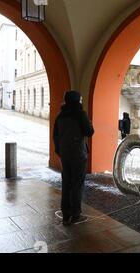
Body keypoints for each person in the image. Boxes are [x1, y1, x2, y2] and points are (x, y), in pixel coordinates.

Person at [53, 90, 95, 226]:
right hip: (78, 154)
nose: (82, 101)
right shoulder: (80, 114)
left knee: (66, 184)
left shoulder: (60, 116)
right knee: (77, 184)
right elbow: (89, 132)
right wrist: (90, 123)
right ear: (77, 101)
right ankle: (76, 214)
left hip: (65, 155)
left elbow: (56, 136)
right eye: (81, 99)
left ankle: (66, 215)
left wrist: (59, 151)